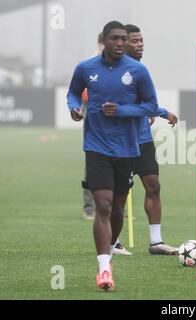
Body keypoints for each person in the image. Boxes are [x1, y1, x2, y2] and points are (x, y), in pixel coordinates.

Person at [67, 21, 165, 291]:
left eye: (124, 39)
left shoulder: (138, 71)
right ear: (105, 40)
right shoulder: (86, 68)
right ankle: (103, 269)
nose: (121, 43)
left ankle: (108, 254)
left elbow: (151, 106)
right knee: (104, 206)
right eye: (116, 39)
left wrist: (122, 111)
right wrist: (75, 108)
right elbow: (73, 93)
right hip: (96, 147)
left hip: (128, 148)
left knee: (118, 209)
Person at [113, 24, 178, 255]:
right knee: (120, 193)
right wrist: (161, 112)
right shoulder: (115, 71)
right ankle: (113, 242)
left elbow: (144, 100)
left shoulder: (140, 69)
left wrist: (151, 111)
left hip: (143, 140)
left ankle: (156, 242)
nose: (140, 45)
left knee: (154, 186)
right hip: (122, 141)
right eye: (135, 41)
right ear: (122, 44)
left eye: (141, 40)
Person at [81, 32, 104, 221]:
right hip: (94, 122)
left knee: (120, 163)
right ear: (101, 44)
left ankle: (116, 207)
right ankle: (89, 207)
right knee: (92, 164)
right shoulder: (89, 65)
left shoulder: (123, 65)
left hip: (116, 125)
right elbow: (82, 94)